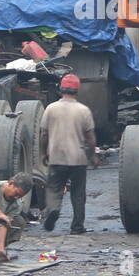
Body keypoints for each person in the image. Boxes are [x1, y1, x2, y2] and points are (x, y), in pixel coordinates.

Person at [40, 73, 97, 234]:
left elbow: (43, 134)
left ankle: (53, 210)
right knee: (78, 193)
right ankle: (77, 226)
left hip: (56, 157)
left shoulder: (51, 108)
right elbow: (91, 137)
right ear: (77, 91)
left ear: (60, 89)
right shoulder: (83, 110)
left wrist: (45, 153)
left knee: (53, 189)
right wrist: (92, 155)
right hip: (77, 159)